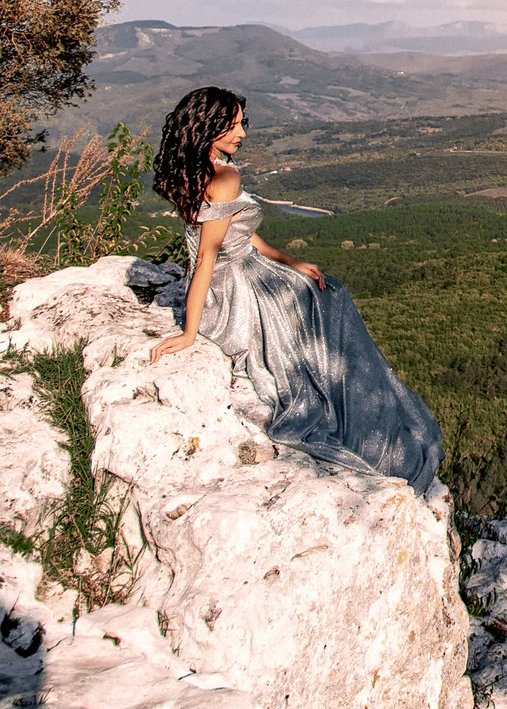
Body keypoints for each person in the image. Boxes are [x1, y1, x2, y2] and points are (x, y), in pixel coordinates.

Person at [145, 85, 443, 490]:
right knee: (330, 302)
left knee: (320, 290)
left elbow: (238, 235)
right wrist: (189, 334)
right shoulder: (226, 177)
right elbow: (207, 258)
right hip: (238, 291)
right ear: (208, 127)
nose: (242, 133)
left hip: (236, 275)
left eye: (240, 124)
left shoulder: (200, 171)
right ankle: (371, 429)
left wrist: (289, 261)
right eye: (232, 125)